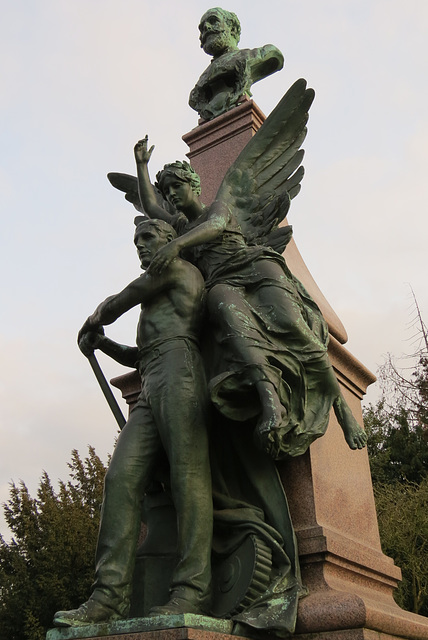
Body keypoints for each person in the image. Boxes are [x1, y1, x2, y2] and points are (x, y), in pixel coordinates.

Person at [134, 136, 367, 460]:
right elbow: (151, 206)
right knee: (231, 323)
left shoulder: (218, 208)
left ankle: (341, 407)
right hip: (221, 283)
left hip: (256, 269)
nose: (171, 195)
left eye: (177, 186)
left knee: (295, 327)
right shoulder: (180, 223)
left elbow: (214, 227)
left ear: (194, 185)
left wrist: (176, 245)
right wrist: (142, 166)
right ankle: (270, 399)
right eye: (168, 190)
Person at [53, 218, 212, 627]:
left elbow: (122, 299)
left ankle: (192, 589)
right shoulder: (157, 285)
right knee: (121, 478)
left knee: (188, 474)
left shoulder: (174, 269)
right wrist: (104, 344)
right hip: (152, 374)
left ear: (170, 240)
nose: (141, 246)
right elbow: (140, 354)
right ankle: (108, 597)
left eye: (148, 238)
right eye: (136, 240)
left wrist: (96, 318)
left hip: (180, 370)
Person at [189, 7, 284, 121]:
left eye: (213, 21)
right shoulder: (200, 85)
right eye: (202, 28)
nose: (206, 28)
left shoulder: (259, 54)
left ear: (232, 28)